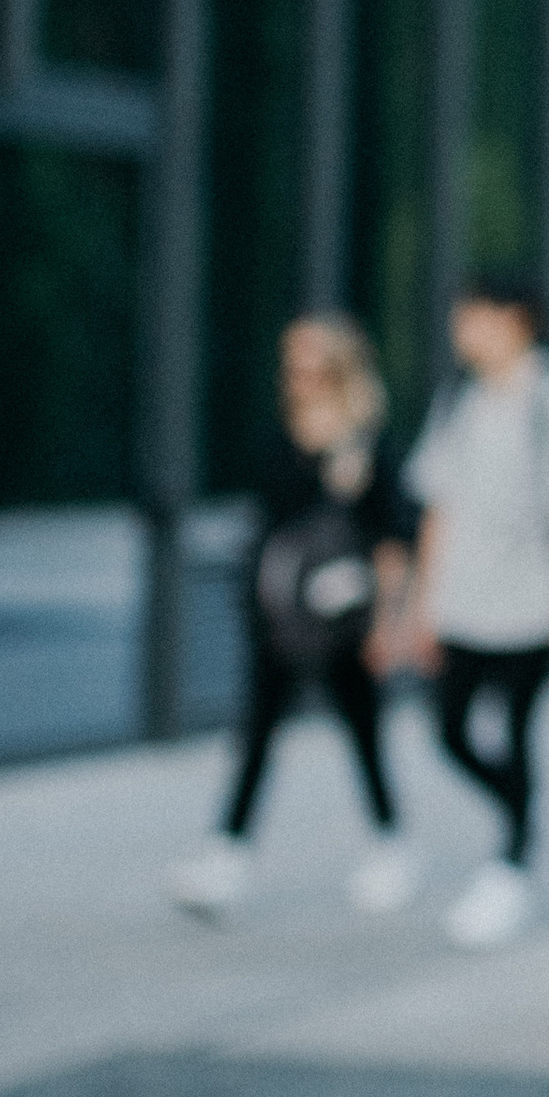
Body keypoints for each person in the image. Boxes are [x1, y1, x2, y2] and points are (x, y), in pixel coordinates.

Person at [171, 314, 419, 919]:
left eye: (311, 367)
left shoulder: (368, 444)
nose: (298, 379)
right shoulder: (280, 436)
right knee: (256, 734)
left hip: (344, 620)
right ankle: (227, 854)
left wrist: (389, 624)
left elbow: (391, 543)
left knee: (363, 733)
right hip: (279, 614)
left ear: (338, 370)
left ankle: (390, 844)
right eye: (292, 368)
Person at [406, 268, 549, 950]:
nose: (461, 331)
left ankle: (512, 862)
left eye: (473, 316)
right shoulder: (457, 399)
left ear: (514, 321)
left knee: (518, 732)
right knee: (449, 730)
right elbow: (438, 509)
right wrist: (421, 605)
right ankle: (521, 811)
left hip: (532, 604)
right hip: (462, 603)